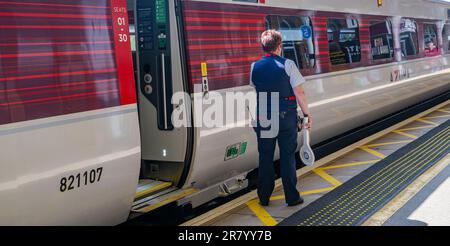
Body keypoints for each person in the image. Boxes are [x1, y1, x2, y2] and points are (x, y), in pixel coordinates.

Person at [250, 30, 312, 207]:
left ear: (263, 47)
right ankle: (292, 197)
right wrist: (307, 114)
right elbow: (299, 92)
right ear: (279, 46)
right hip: (286, 116)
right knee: (287, 157)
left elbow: (257, 88)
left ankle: (264, 197)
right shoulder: (288, 64)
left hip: (264, 117)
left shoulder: (254, 66)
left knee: (265, 158)